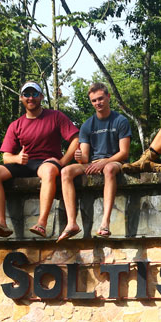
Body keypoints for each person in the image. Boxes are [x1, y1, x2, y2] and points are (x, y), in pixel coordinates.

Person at [0, 80, 80, 238]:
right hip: (24, 163)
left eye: (34, 94)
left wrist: (63, 162)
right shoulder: (16, 125)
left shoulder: (55, 116)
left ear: (41, 96)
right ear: (21, 98)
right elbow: (6, 157)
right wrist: (17, 158)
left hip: (46, 162)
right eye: (27, 94)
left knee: (49, 170)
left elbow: (76, 139)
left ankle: (41, 223)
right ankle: (1, 223)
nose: (31, 98)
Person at [56, 83, 131, 241]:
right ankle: (71, 223)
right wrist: (78, 157)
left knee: (109, 169)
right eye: (94, 101)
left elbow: (124, 153)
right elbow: (84, 156)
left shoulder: (121, 120)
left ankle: (105, 223)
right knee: (66, 171)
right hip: (93, 163)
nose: (98, 103)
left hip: (115, 161)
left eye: (101, 99)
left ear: (108, 97)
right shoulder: (87, 125)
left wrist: (104, 162)